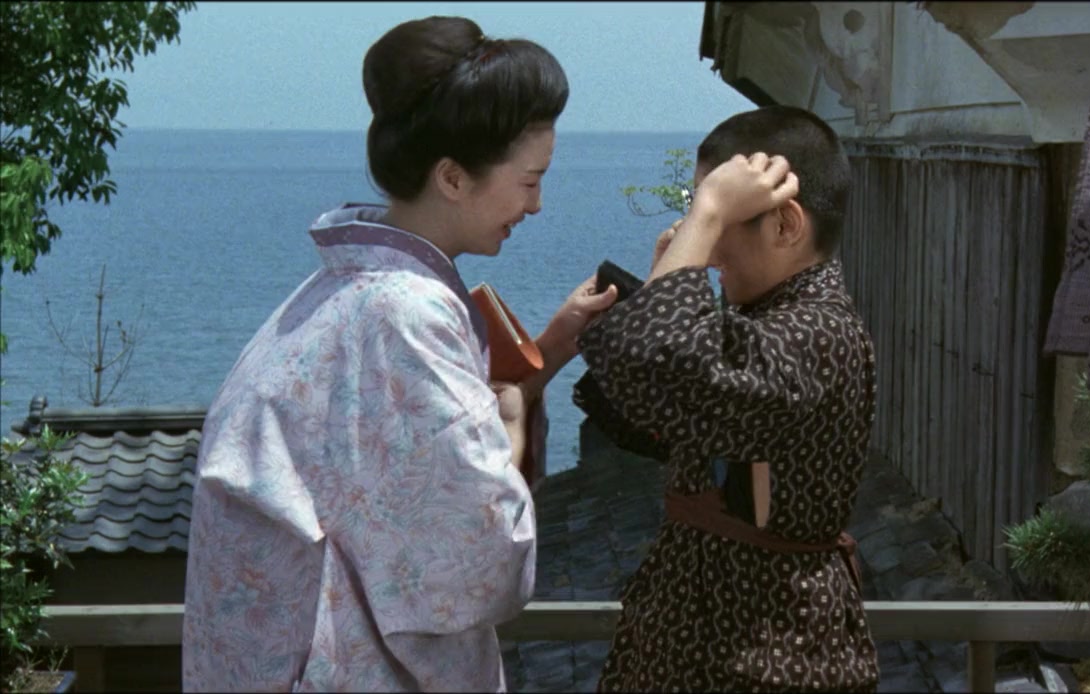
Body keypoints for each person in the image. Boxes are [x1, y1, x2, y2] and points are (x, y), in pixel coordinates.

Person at [182, 16, 617, 693]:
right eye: (530, 181)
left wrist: (552, 347)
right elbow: (482, 548)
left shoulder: (344, 288)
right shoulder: (407, 314)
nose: (536, 205)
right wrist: (510, 423)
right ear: (452, 176)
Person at [580, 106, 880, 692]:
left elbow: (654, 361)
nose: (707, 245)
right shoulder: (766, 321)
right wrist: (665, 279)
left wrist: (707, 213)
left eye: (719, 222)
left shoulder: (817, 331)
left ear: (785, 226)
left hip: (765, 652)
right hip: (713, 638)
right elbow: (652, 407)